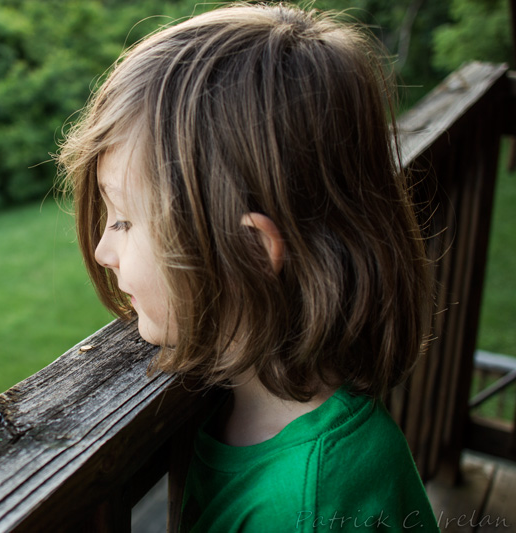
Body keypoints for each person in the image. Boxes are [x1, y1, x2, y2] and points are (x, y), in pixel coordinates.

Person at [58, 3, 439, 531]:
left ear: (252, 252)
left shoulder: (310, 507)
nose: (102, 251)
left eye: (123, 220)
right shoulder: (270, 415)